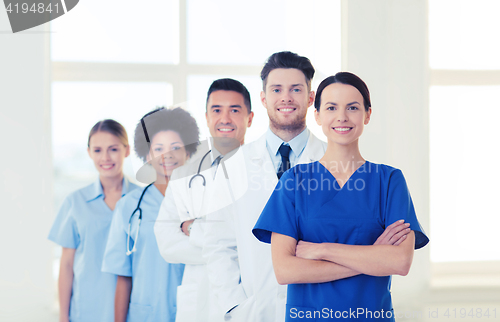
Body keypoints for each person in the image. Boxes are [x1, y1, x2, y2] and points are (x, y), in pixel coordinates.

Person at [253, 72, 429, 321]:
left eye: (353, 107)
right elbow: (285, 270)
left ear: (367, 114)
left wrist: (322, 250)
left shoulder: (389, 181)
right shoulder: (294, 181)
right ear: (317, 115)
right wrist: (371, 256)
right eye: (331, 107)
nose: (342, 117)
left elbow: (400, 261)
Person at [201, 51, 328, 322]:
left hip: (323, 308)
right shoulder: (233, 166)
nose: (286, 98)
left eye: (296, 89)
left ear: (310, 97)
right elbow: (218, 245)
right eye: (276, 89)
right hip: (254, 312)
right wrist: (234, 307)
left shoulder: (334, 163)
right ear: (263, 98)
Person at [154, 78, 254, 322]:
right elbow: (166, 242)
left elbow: (263, 244)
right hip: (198, 301)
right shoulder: (184, 173)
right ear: (207, 117)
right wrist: (231, 248)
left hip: (249, 297)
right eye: (217, 110)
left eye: (235, 110)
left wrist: (195, 230)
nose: (225, 118)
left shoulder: (264, 171)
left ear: (250, 118)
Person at [101, 107, 199, 322]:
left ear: (188, 152)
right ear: (147, 154)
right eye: (159, 148)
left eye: (175, 147)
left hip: (194, 311)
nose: (168, 155)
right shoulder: (129, 207)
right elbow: (123, 276)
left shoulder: (203, 204)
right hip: (145, 314)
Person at [48, 120, 138, 322]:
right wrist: (64, 316)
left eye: (113, 149)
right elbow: (66, 265)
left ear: (127, 150)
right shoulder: (75, 202)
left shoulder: (143, 200)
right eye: (98, 150)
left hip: (135, 310)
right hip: (87, 311)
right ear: (89, 153)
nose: (105, 157)